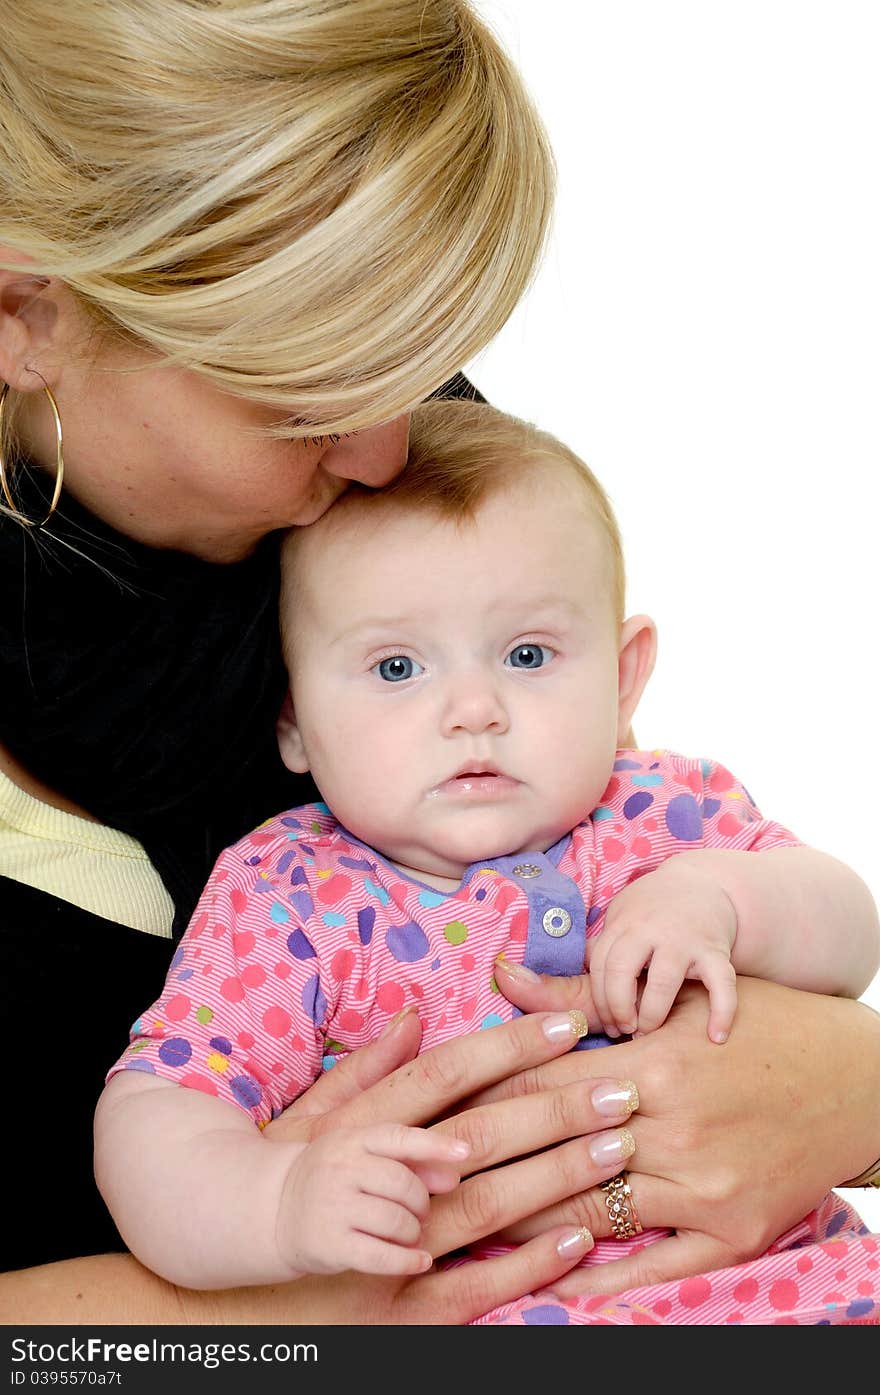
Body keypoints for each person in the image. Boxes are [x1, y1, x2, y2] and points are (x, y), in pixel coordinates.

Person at [2, 0, 880, 1327]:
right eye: (308, 391)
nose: (386, 455)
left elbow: (713, 925)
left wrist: (847, 1081)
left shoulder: (353, 513)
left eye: (417, 363)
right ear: (23, 317)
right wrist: (324, 1306)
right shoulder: (284, 885)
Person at [94, 398, 880, 1323]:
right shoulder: (290, 894)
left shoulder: (663, 810)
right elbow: (158, 1109)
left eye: (528, 652)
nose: (474, 707)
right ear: (295, 719)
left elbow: (848, 930)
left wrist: (718, 897)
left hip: (796, 1295)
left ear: (622, 675)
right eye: (396, 667)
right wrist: (276, 1201)